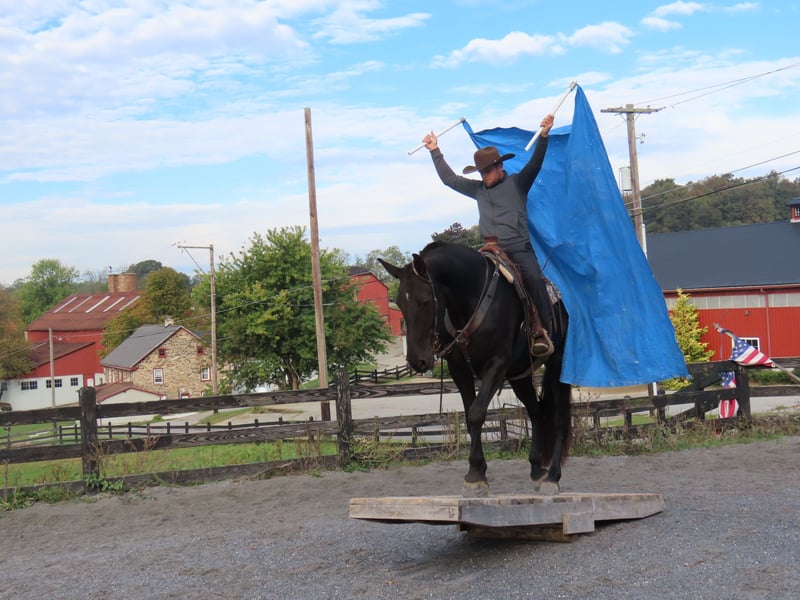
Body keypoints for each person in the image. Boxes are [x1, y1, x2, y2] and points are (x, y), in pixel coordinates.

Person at [422, 114, 555, 358]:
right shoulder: (477, 189)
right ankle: (454, 334)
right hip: (488, 249)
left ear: (500, 167)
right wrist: (434, 151)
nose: (484, 175)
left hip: (517, 248)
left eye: (488, 170)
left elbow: (535, 164)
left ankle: (542, 330)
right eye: (481, 172)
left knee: (535, 279)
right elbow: (450, 179)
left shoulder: (518, 183)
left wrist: (544, 136)